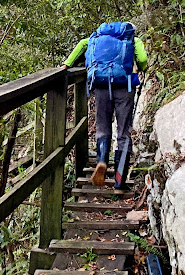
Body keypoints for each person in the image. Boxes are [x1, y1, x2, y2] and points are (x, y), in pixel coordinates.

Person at [62, 22, 147, 189]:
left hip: (101, 86)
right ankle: (119, 180)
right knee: (124, 131)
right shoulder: (132, 40)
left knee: (102, 126)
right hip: (125, 87)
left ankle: (101, 160)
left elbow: (81, 45)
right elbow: (142, 59)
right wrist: (142, 67)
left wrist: (67, 64)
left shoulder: (96, 39)